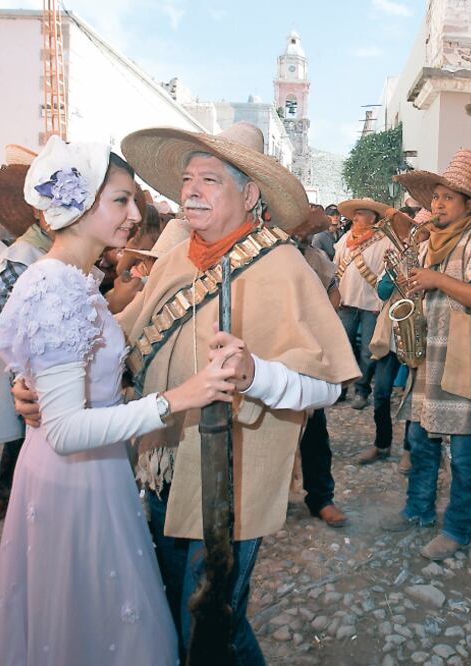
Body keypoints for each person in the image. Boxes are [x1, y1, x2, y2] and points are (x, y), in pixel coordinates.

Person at [0, 136, 238, 665]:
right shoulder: (58, 287)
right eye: (120, 199)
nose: (134, 213)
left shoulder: (72, 279)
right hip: (73, 478)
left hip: (87, 473)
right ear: (78, 203)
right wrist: (176, 399)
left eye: (133, 199)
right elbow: (67, 431)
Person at [117, 121, 360, 661]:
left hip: (231, 476)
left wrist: (258, 376)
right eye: (186, 179)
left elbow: (327, 388)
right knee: (171, 606)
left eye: (209, 179)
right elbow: (128, 339)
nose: (190, 191)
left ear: (250, 195)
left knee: (211, 620)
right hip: (161, 463)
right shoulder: (177, 258)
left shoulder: (282, 265)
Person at [381, 148, 471, 561]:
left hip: (465, 357)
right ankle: (418, 509)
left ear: (470, 204)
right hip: (428, 355)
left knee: (462, 450)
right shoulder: (427, 242)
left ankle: (458, 529)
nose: (437, 204)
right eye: (435, 197)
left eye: (447, 198)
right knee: (419, 438)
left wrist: (434, 278)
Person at [0, 145, 55, 527]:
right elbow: (18, 337)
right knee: (24, 430)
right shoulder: (21, 257)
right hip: (34, 377)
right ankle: (11, 497)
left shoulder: (51, 250)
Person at [290, 204, 349, 528]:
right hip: (268, 355)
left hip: (308, 355)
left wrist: (320, 315)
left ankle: (321, 498)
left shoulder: (315, 257)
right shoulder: (264, 250)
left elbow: (334, 294)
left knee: (314, 431)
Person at [358, 206, 423, 468]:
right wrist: (395, 272)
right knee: (382, 393)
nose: (415, 239)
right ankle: (381, 443)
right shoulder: (399, 255)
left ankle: (409, 448)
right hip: (392, 336)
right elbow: (383, 292)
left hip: (417, 335)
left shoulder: (432, 259)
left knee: (413, 396)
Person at [333, 198, 398, 411]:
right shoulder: (345, 238)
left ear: (373, 217)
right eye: (356, 213)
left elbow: (389, 271)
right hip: (346, 302)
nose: (356, 217)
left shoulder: (385, 240)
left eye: (362, 213)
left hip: (372, 304)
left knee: (367, 350)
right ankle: (340, 389)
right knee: (343, 347)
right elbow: (335, 268)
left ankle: (361, 390)